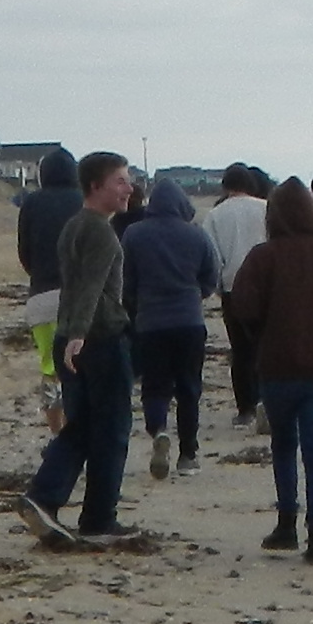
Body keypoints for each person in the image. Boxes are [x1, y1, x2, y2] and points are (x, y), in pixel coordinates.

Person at [225, 181, 313, 566]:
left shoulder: (262, 257)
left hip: (277, 367)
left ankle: (287, 523)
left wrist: (262, 338)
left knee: (284, 446)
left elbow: (244, 308)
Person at [20, 150, 140, 542]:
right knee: (112, 429)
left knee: (84, 426)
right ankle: (99, 518)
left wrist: (69, 337)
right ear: (95, 186)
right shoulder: (100, 231)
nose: (129, 188)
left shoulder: (74, 226)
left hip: (70, 337)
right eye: (120, 181)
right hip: (98, 339)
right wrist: (78, 336)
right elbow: (88, 289)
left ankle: (44, 497)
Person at [122, 173, 227, 471]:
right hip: (189, 321)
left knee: (155, 385)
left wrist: (136, 302)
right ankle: (188, 454)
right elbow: (211, 275)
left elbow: (125, 279)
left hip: (150, 322)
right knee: (189, 387)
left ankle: (159, 430)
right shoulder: (196, 234)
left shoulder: (134, 234)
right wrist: (196, 294)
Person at [201, 166, 275, 426]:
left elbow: (210, 256)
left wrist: (216, 286)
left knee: (241, 351)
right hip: (268, 287)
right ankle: (269, 401)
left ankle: (246, 408)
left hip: (233, 288)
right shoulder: (266, 208)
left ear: (225, 186)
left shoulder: (216, 214)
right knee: (267, 346)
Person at [13, 147, 81, 391]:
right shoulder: (84, 202)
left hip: (42, 296)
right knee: (83, 368)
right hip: (82, 299)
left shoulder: (31, 203)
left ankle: (57, 428)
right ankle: (81, 424)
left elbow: (25, 251)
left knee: (50, 369)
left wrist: (40, 275)